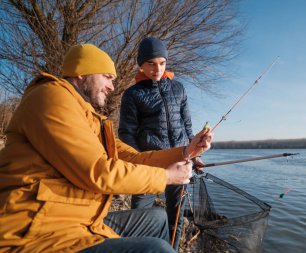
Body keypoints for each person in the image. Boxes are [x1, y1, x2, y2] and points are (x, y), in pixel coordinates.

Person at [0, 44, 213, 253]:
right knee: (153, 249)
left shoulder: (89, 117)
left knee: (157, 218)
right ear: (82, 73)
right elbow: (98, 171)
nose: (112, 87)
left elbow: (131, 157)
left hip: (79, 220)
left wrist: (186, 151)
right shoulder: (50, 97)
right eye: (107, 77)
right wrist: (165, 177)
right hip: (37, 229)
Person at [118, 37, 203, 251]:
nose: (157, 68)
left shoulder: (179, 89)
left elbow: (187, 126)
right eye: (151, 63)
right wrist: (136, 161)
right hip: (148, 163)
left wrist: (194, 153)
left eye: (162, 63)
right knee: (140, 214)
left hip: (179, 159)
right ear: (141, 64)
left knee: (176, 213)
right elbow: (127, 133)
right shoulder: (132, 94)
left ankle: (171, 249)